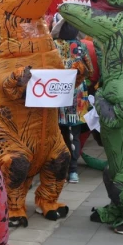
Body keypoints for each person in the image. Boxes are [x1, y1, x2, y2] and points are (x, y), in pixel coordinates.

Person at [52, 15, 94, 184]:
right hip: (77, 98)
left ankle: (59, 171)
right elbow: (90, 70)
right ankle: (73, 171)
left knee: (57, 134)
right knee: (73, 134)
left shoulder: (52, 46)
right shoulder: (81, 46)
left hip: (56, 95)